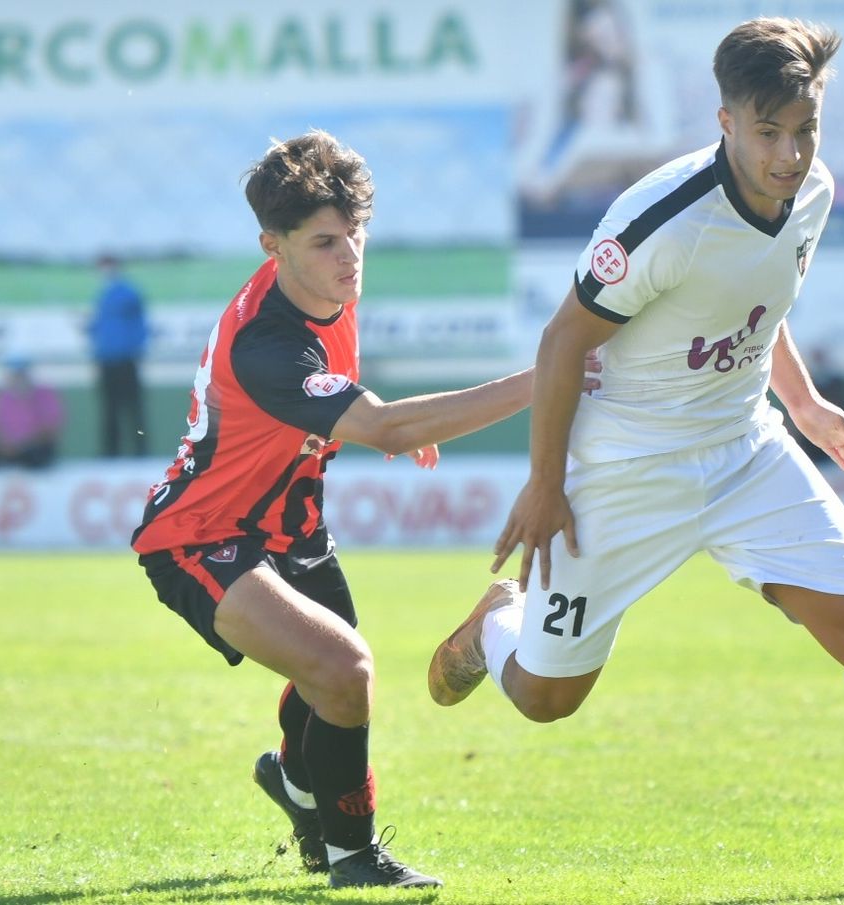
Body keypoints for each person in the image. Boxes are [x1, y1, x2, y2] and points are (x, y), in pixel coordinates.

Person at [427, 18, 844, 893]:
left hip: (747, 449)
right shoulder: (661, 221)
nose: (790, 154)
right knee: (544, 697)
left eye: (806, 129)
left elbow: (760, 298)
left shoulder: (816, 192)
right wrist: (543, 485)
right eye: (769, 133)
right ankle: (497, 621)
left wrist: (804, 403)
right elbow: (564, 343)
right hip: (625, 469)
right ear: (725, 121)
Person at [131, 129, 535, 889]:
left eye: (357, 235)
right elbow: (383, 422)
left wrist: (381, 422)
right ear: (271, 244)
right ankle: (355, 856)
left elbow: (358, 403)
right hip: (202, 537)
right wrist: (545, 378)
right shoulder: (264, 344)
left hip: (292, 525)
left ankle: (295, 782)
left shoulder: (325, 286)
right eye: (324, 241)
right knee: (346, 670)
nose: (348, 255)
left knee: (329, 681)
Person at [86, 254, 149, 457]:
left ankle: (140, 450)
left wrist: (137, 348)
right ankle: (111, 452)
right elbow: (99, 328)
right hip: (106, 359)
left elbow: (139, 324)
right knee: (109, 407)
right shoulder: (102, 295)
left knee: (132, 406)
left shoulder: (128, 293)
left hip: (126, 358)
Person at [0, 354, 65, 471]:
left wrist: (22, 446)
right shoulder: (1, 396)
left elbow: (50, 430)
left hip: (31, 448)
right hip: (5, 449)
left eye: (21, 374)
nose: (18, 378)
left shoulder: (45, 394)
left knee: (40, 453)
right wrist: (2, 446)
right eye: (14, 374)